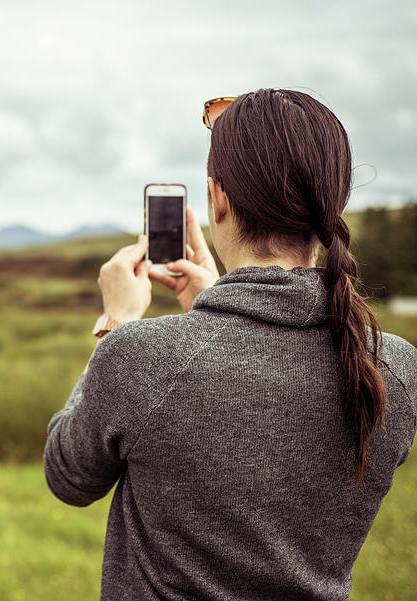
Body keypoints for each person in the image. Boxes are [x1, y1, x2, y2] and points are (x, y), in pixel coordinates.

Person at [43, 89, 417, 600]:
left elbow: (69, 476)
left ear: (218, 198)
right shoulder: (393, 367)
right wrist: (212, 306)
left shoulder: (143, 357)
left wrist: (118, 321)